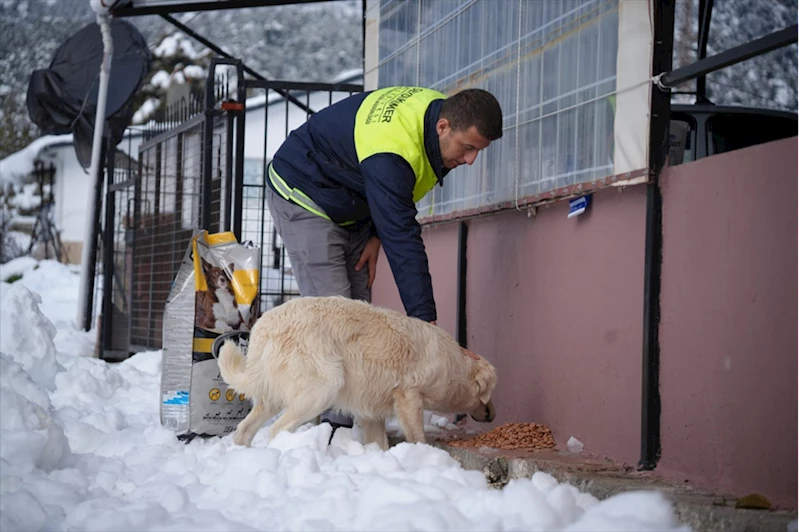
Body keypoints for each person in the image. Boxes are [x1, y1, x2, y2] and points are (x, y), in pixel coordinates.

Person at [265, 85, 503, 430]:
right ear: (443, 127)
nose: (470, 161)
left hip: (354, 198)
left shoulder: (437, 117)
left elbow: (397, 203)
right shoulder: (394, 151)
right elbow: (403, 238)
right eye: (467, 148)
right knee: (335, 319)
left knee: (360, 321)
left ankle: (357, 424)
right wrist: (425, 325)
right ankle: (333, 432)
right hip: (304, 192)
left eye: (478, 151)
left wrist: (374, 234)